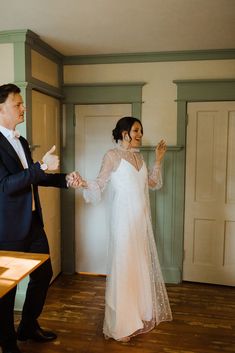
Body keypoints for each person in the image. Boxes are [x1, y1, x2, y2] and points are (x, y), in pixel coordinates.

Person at [72, 116, 173, 342]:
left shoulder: (140, 158)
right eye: (136, 131)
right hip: (123, 222)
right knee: (124, 266)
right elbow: (99, 183)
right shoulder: (112, 156)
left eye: (141, 131)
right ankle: (122, 324)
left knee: (139, 264)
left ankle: (140, 313)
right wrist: (84, 183)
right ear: (124, 133)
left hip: (140, 221)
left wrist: (158, 159)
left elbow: (153, 183)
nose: (140, 135)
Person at [0, 83, 76, 353]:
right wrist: (40, 165)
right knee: (6, 293)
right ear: (1, 109)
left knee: (43, 275)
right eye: (17, 104)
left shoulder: (20, 141)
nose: (23, 108)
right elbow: (7, 185)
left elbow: (33, 177)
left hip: (33, 223)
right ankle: (7, 344)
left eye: (22, 103)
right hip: (6, 229)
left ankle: (28, 326)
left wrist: (65, 180)